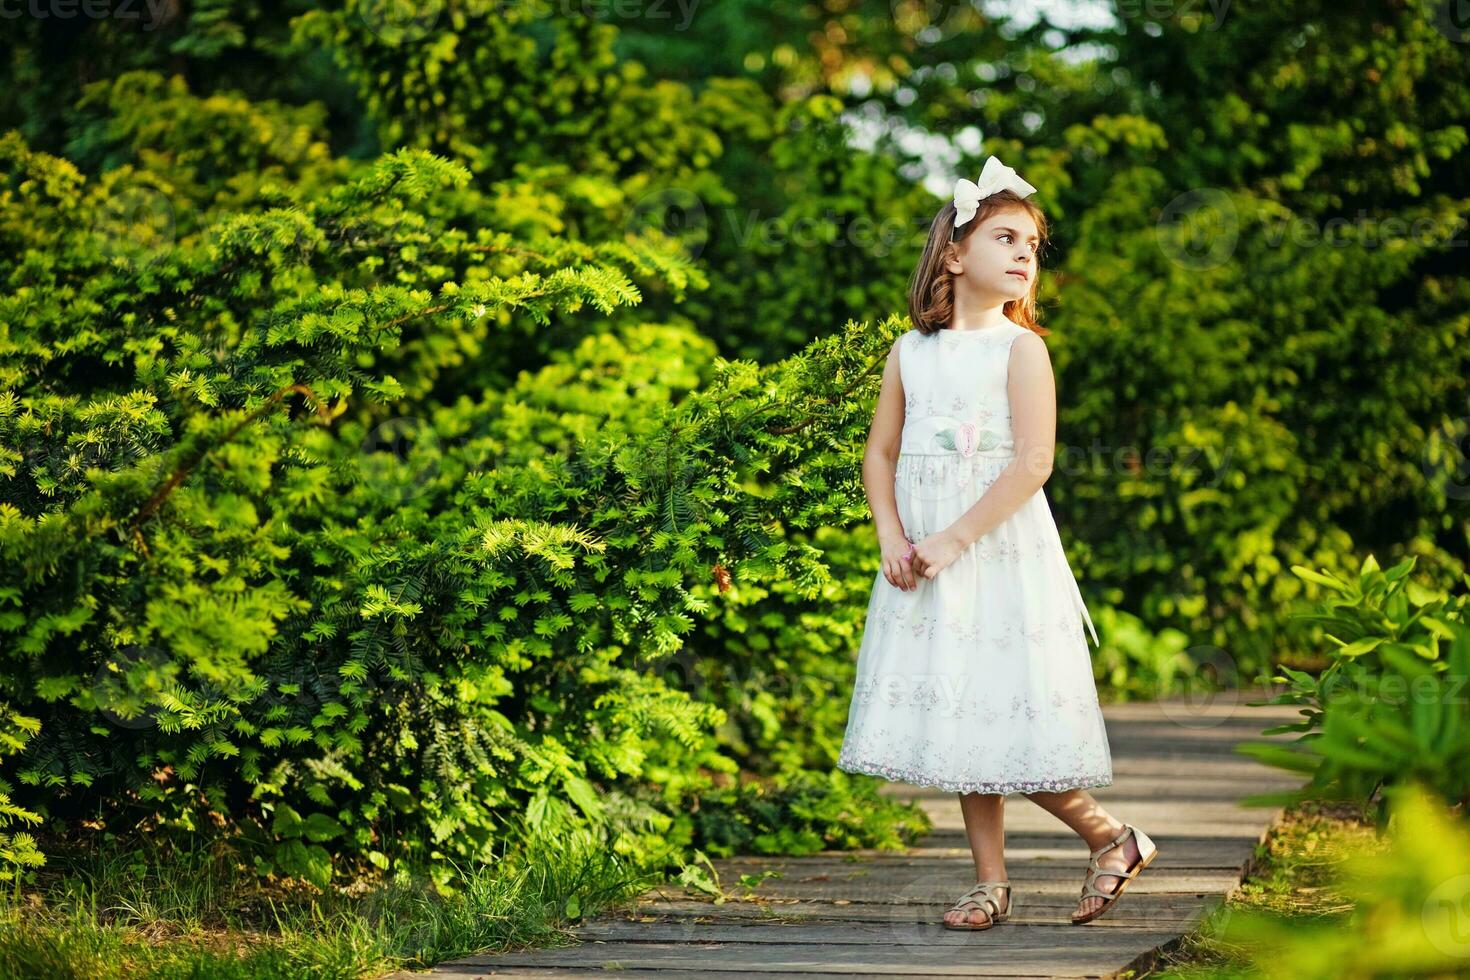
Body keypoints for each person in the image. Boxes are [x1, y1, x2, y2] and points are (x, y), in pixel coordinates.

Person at [834, 156, 1158, 930]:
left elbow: (1034, 462)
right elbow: (880, 454)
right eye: (1005, 236)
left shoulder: (1021, 350)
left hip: (997, 553)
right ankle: (990, 880)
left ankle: (1110, 837)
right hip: (925, 556)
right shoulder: (911, 352)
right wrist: (893, 534)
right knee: (958, 716)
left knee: (1000, 716)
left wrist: (953, 537)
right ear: (953, 253)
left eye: (1033, 245)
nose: (1023, 254)